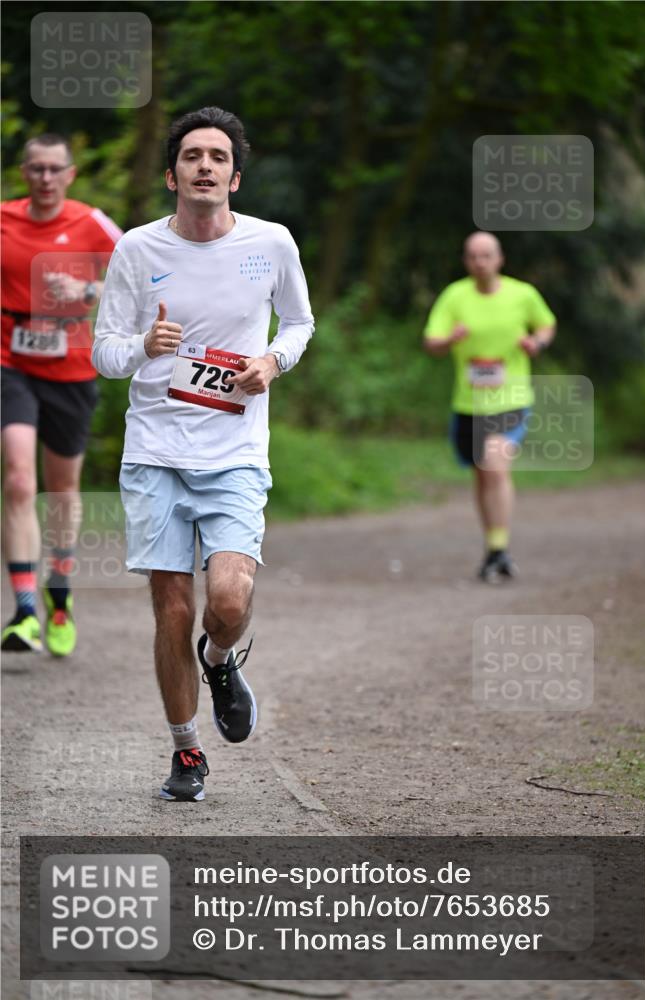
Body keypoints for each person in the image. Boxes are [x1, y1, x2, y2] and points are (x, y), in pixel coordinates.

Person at [92, 106, 314, 802]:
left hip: (235, 450)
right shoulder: (137, 249)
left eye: (217, 156)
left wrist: (272, 362)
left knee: (227, 597)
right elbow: (104, 353)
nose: (205, 166)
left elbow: (301, 321)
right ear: (172, 174)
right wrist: (142, 349)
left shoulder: (270, 243)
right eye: (192, 155)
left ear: (235, 177)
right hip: (156, 449)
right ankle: (186, 751)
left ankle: (220, 662)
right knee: (172, 610)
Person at [1, 134, 122, 655]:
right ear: (24, 173)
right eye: (36, 169)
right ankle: (24, 609)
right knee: (20, 480)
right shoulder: (3, 218)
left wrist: (90, 292)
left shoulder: (92, 222)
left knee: (62, 491)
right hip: (10, 362)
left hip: (72, 366)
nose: (45, 178)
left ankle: (60, 593)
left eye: (55, 170)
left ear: (70, 175)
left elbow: (144, 274)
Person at [423, 231, 556, 581]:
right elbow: (431, 341)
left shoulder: (522, 294)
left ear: (500, 259)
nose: (479, 262)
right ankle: (494, 548)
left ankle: (499, 550)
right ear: (466, 261)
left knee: (495, 465)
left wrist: (536, 343)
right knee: (482, 475)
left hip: (511, 399)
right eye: (472, 256)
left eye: (486, 255)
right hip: (468, 403)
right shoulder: (455, 296)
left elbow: (546, 324)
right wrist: (449, 340)